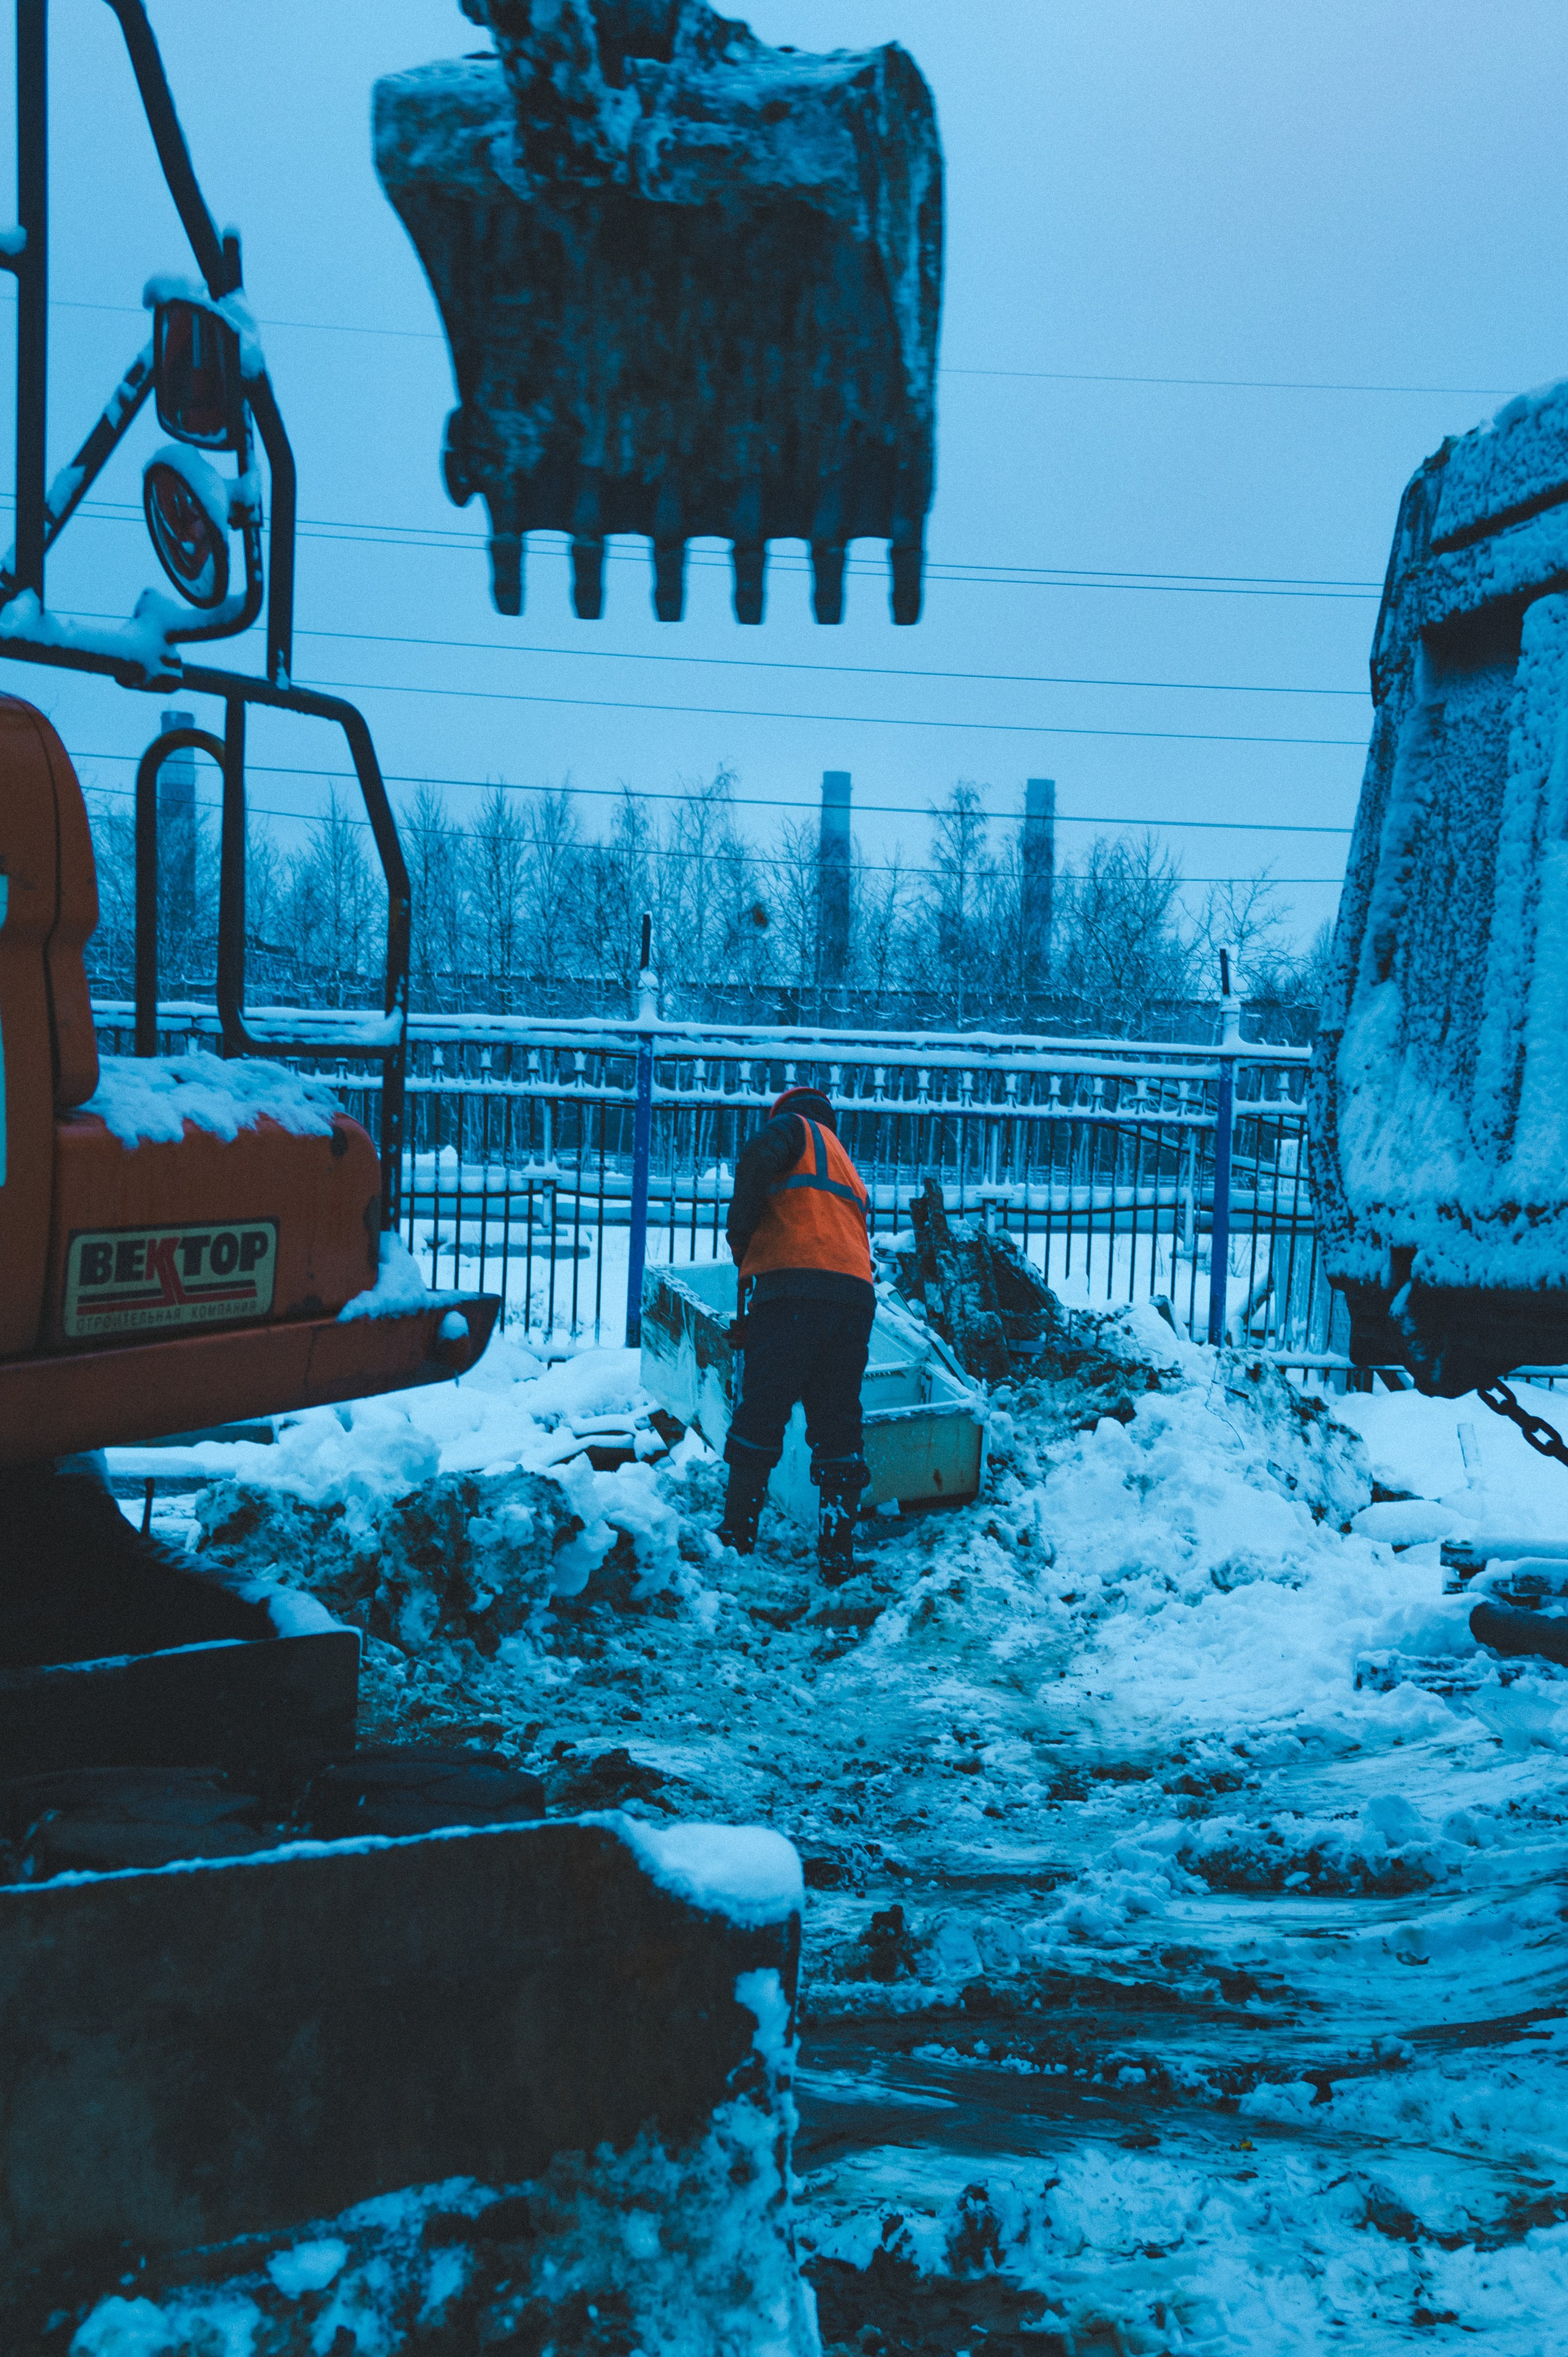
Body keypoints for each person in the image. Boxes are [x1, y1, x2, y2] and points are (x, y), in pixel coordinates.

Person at [718, 1083, 874, 1580]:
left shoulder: (791, 1128)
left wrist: (741, 1236)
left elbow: (757, 1157)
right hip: (852, 1299)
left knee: (762, 1412)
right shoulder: (847, 1164)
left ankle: (737, 1534)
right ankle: (836, 1553)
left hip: (793, 1292)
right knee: (837, 1423)